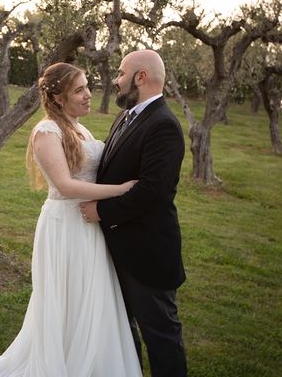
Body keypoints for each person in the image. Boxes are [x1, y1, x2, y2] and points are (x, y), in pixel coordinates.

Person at [0, 62, 142, 377]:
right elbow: (65, 185)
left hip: (88, 225)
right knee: (66, 297)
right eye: (79, 90)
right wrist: (121, 191)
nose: (89, 95)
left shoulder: (80, 127)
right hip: (64, 225)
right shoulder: (47, 131)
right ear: (59, 98)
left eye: (88, 86)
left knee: (90, 295)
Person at [79, 49, 187, 377]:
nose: (115, 80)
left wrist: (101, 210)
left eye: (121, 74)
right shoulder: (126, 116)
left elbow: (152, 192)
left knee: (161, 335)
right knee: (123, 333)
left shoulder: (164, 125)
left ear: (140, 77)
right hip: (117, 249)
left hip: (147, 253)